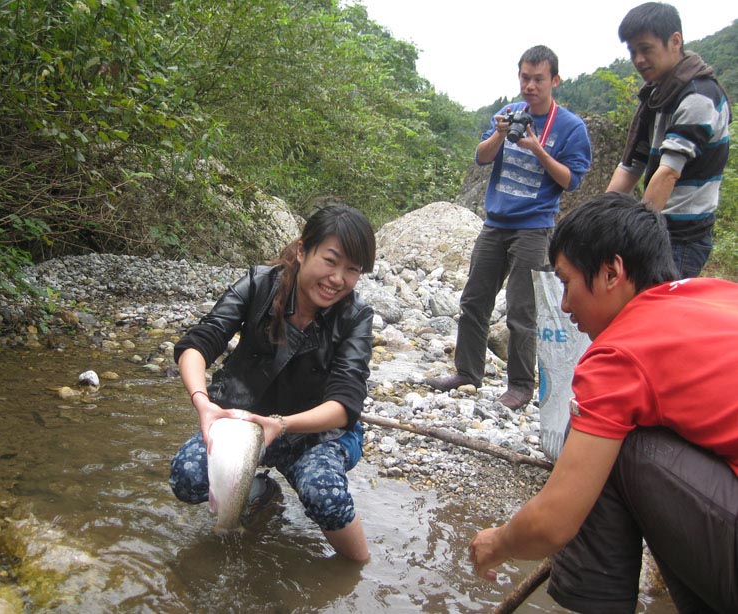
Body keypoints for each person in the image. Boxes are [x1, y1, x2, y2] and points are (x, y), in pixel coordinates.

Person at [468, 193, 738, 613]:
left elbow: (555, 521)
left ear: (612, 272)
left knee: (613, 444)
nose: (564, 304)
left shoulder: (618, 354)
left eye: (567, 282)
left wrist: (498, 542)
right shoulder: (716, 293)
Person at [168, 204, 376, 562]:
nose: (338, 278)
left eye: (352, 270)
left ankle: (357, 568)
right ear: (302, 250)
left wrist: (282, 424)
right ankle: (259, 492)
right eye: (330, 261)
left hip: (317, 433)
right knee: (188, 476)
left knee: (323, 492)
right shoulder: (258, 284)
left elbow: (345, 403)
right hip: (249, 423)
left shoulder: (355, 316)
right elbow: (199, 342)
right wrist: (202, 402)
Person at [426, 45, 592, 410]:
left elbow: (571, 181)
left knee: (521, 309)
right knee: (473, 300)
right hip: (495, 222)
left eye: (538, 79)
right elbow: (482, 157)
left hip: (535, 227)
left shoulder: (570, 127)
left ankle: (520, 385)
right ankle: (467, 373)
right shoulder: (507, 113)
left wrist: (538, 149)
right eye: (525, 78)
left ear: (555, 81)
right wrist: (500, 134)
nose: (530, 86)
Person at [606, 2, 732, 278]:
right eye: (632, 51)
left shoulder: (699, 96)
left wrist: (639, 233)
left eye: (646, 48)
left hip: (682, 237)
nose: (638, 59)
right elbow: (630, 166)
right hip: (659, 225)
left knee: (661, 311)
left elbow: (669, 172)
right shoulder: (656, 97)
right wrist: (598, 219)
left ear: (675, 41)